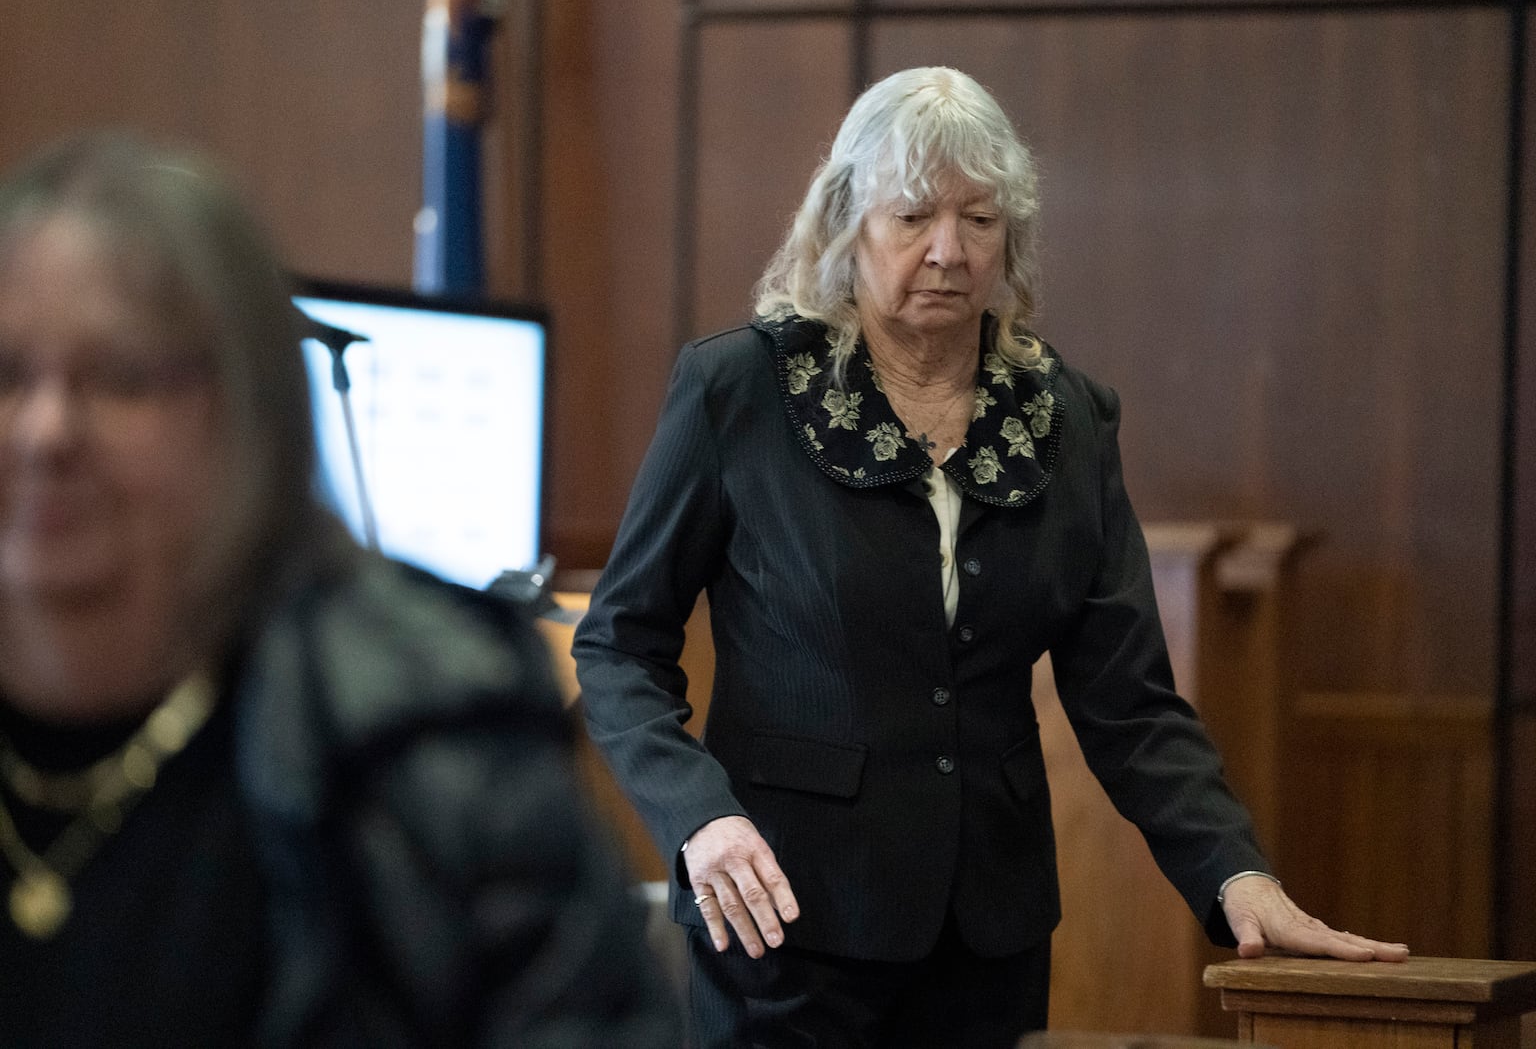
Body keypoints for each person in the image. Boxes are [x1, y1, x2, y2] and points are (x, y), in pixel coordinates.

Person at [573, 66, 1408, 1048]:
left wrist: (1235, 873)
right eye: (914, 215)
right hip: (787, 922)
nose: (947, 250)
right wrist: (697, 818)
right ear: (846, 223)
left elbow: (1128, 698)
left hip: (989, 937)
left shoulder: (1066, 417)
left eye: (979, 218)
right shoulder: (739, 391)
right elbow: (621, 645)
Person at [0, 132, 680, 1047]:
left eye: (121, 378)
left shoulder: (434, 742)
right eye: (8, 374)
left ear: (248, 409)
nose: (45, 431)